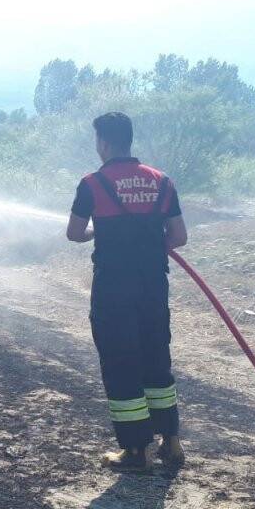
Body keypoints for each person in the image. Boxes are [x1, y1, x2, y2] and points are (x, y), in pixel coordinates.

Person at [66, 112, 188, 471]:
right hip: (153, 288)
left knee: (122, 363)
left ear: (103, 142)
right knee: (156, 360)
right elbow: (179, 237)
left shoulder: (92, 183)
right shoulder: (162, 181)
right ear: (128, 140)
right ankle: (172, 443)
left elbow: (74, 233)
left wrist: (97, 234)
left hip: (113, 291)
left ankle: (135, 452)